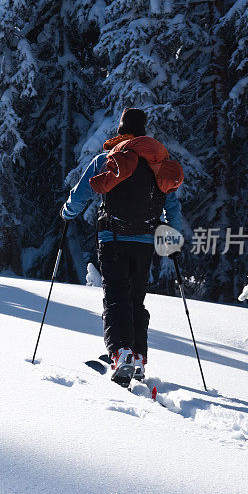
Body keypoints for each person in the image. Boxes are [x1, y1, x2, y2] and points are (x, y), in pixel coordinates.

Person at [61, 108, 185, 386]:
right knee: (136, 300)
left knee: (116, 296)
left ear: (121, 132)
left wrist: (67, 214)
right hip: (145, 243)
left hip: (113, 239)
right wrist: (172, 243)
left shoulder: (108, 160)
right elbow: (172, 207)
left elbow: (81, 195)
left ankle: (121, 353)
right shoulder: (158, 164)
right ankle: (137, 357)